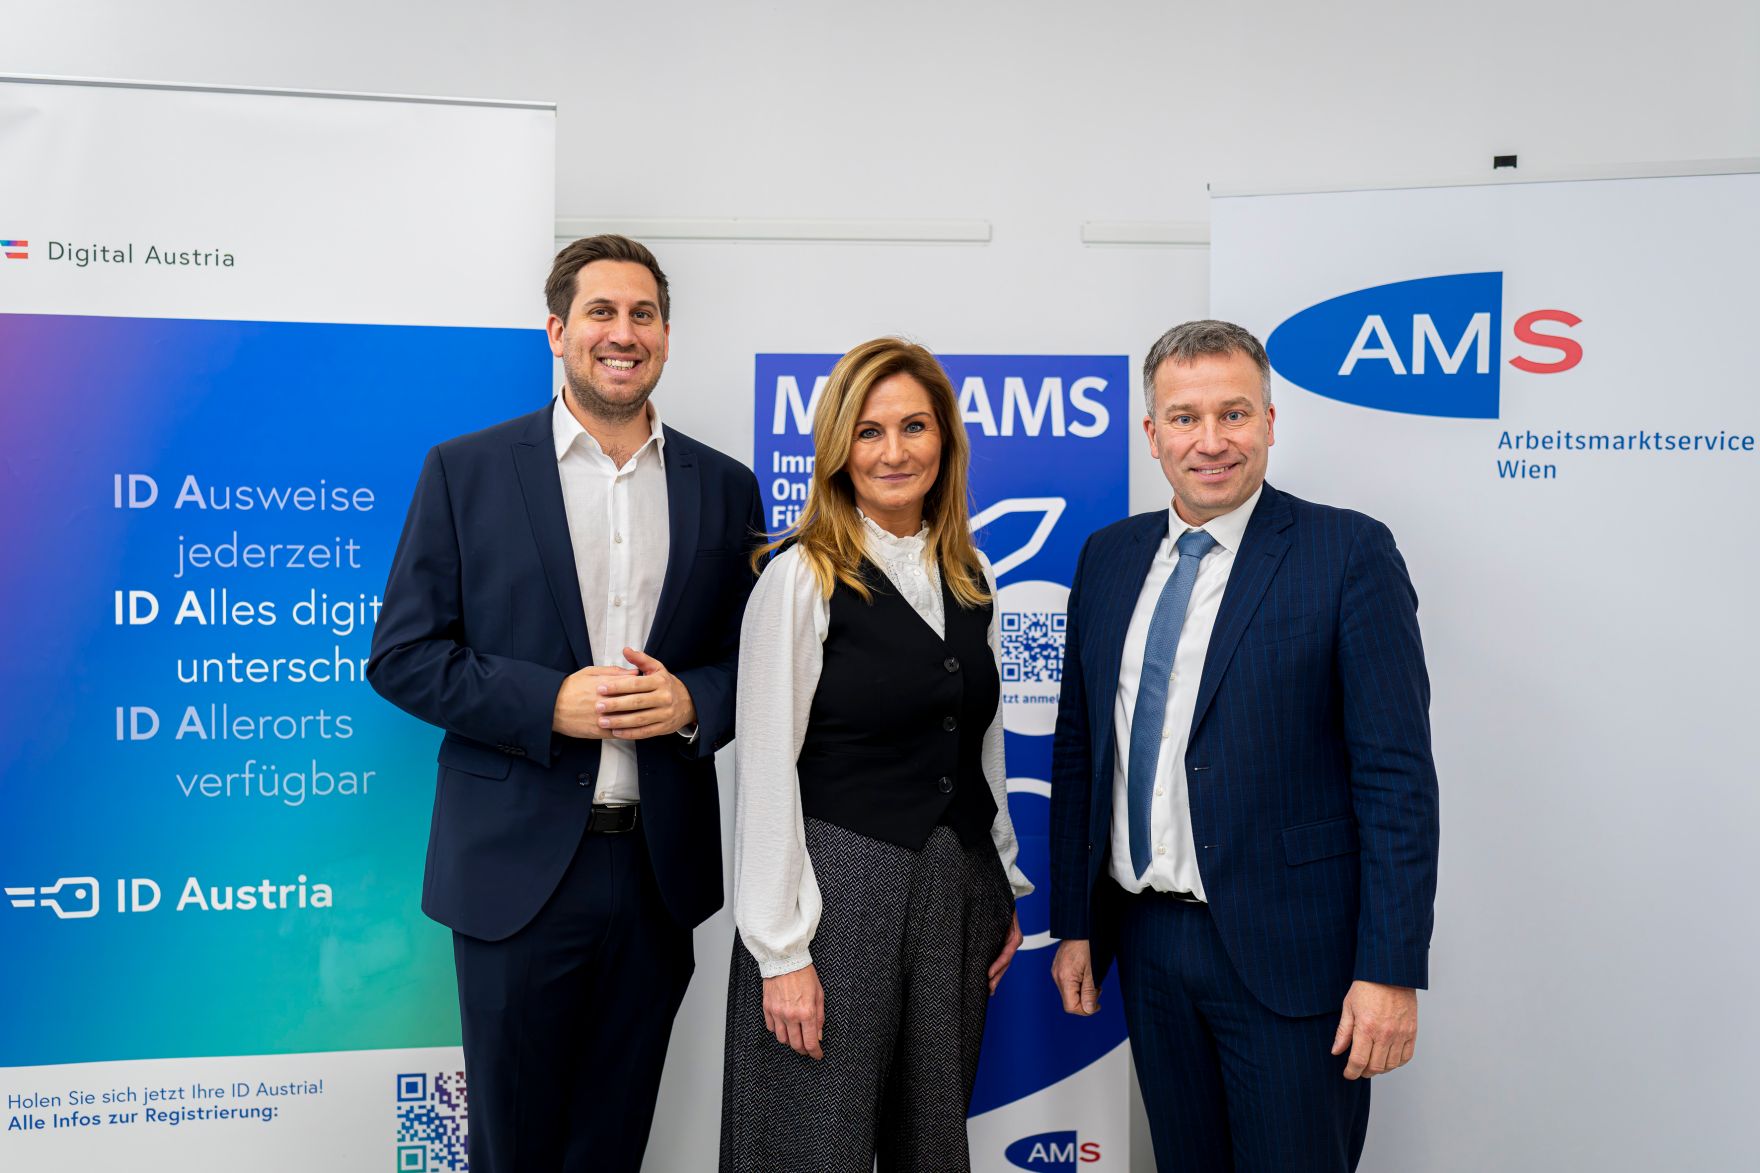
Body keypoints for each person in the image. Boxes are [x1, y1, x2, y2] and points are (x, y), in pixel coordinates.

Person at [367, 234, 763, 1173]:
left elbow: (754, 663)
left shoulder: (725, 484)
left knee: (612, 1143)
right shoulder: (465, 470)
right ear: (557, 329)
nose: (622, 333)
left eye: (643, 314)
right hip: (513, 876)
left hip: (658, 874)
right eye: (601, 312)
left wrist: (692, 699)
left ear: (666, 334)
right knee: (514, 1147)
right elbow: (403, 657)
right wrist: (549, 702)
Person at [1047, 320, 1440, 1172]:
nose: (1212, 440)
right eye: (1185, 418)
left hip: (1294, 957)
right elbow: (1082, 749)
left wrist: (1390, 968)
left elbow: (1397, 778)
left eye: (1234, 413)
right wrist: (1074, 924)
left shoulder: (1347, 553)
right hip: (1149, 944)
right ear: (1152, 435)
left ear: (1270, 420)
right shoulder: (1107, 557)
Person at [720, 337, 1031, 1172]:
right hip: (835, 888)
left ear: (945, 442)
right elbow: (765, 768)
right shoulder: (799, 578)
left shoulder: (971, 573)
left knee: (930, 1143)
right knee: (808, 1145)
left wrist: (998, 883)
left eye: (914, 426)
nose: (894, 451)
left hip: (951, 887)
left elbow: (981, 746)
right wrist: (781, 952)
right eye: (868, 431)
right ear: (836, 451)